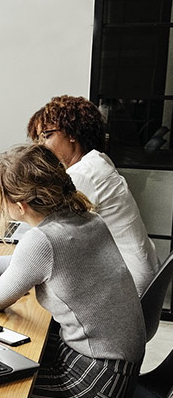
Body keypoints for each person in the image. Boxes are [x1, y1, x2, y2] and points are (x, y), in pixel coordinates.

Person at [0, 144, 145, 398]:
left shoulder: (42, 241)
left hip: (96, 392)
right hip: (118, 372)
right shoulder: (88, 219)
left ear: (20, 205)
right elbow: (25, 265)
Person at [27, 94, 159, 295]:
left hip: (130, 285)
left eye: (47, 135)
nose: (42, 145)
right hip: (140, 274)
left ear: (72, 133)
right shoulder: (97, 160)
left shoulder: (83, 175)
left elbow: (47, 233)